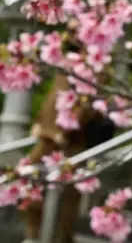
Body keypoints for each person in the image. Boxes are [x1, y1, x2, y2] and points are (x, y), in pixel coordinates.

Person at [22, 43, 101, 243]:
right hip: (48, 139)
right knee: (27, 184)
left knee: (67, 199)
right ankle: (33, 235)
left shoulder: (95, 70)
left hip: (71, 143)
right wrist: (40, 123)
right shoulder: (64, 68)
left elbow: (87, 106)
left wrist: (65, 130)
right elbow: (51, 99)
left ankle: (62, 239)